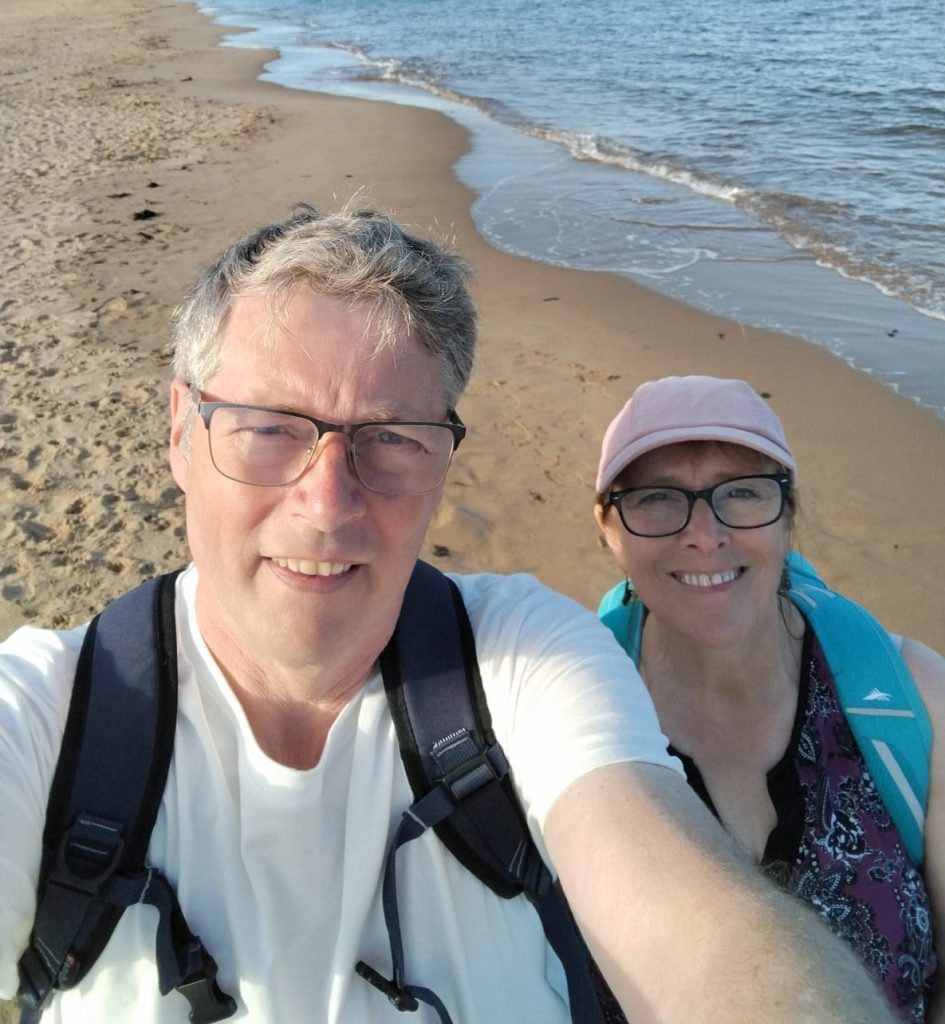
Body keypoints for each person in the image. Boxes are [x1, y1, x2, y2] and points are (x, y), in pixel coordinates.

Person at [0, 207, 897, 1024]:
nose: (326, 503)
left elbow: (690, 918)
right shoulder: (49, 719)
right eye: (269, 425)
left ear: (442, 459)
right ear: (180, 433)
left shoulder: (525, 660)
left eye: (388, 436)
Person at [593, 374, 945, 1023]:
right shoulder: (574, 717)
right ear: (607, 528)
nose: (703, 534)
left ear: (788, 516)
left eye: (743, 493)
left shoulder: (914, 698)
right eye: (655, 499)